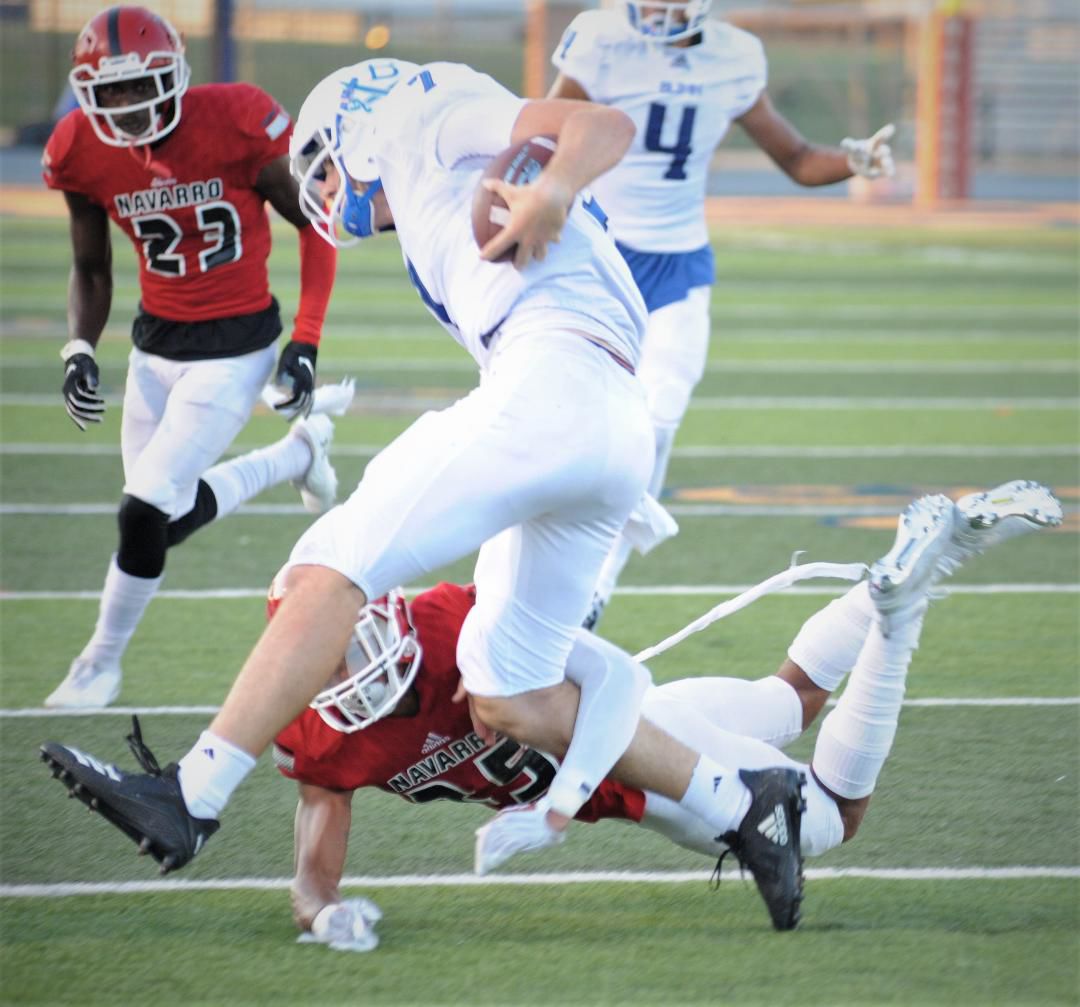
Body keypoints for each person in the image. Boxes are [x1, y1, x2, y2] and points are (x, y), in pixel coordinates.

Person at [38, 56, 813, 931]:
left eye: (325, 161)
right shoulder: (427, 183)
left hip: (550, 384)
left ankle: (193, 791)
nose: (323, 186)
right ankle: (744, 801)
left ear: (360, 130)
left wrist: (552, 187)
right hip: (607, 428)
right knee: (509, 692)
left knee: (325, 566)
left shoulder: (425, 121)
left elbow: (602, 127)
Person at [46, 480, 1061, 944]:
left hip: (637, 763)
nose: (349, 675)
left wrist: (562, 805)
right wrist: (324, 912)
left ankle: (907, 594)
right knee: (786, 698)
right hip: (651, 729)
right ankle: (907, 571)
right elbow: (315, 851)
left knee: (834, 819)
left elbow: (610, 679)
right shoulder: (318, 730)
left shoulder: (455, 624)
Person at [548, 1, 897, 627]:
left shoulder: (733, 57)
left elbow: (794, 157)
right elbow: (541, 135)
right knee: (564, 418)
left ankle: (597, 586)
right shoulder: (600, 40)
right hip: (597, 259)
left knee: (656, 423)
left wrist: (853, 161)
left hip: (679, 264)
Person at [40, 6, 342, 709]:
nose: (126, 105)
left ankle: (97, 664)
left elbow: (315, 226)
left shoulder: (237, 119)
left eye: (139, 85)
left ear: (175, 74)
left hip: (237, 344)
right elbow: (90, 266)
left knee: (141, 511)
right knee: (158, 523)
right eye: (109, 92)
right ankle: (294, 456)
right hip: (155, 344)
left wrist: (305, 340)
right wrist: (79, 346)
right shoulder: (78, 147)